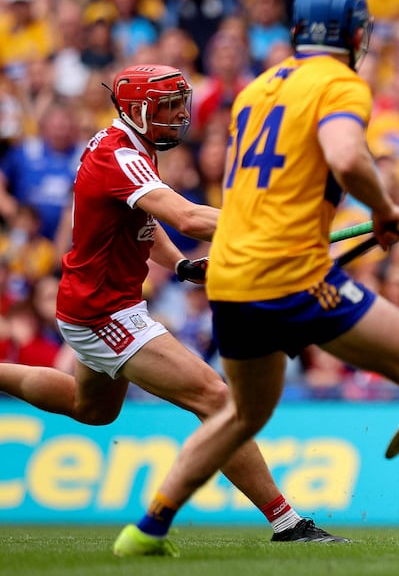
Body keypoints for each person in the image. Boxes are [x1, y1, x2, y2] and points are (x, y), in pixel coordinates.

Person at [113, 0, 399, 561]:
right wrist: (382, 211)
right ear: (356, 34)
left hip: (234, 271)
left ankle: (147, 529)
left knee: (243, 413)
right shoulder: (340, 84)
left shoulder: (257, 88)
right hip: (291, 273)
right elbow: (348, 156)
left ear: (299, 32)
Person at [0, 64, 344, 548]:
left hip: (95, 304)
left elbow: (145, 215)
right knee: (218, 399)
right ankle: (288, 523)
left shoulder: (130, 146)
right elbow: (183, 214)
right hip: (104, 313)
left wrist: (179, 266)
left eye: (181, 104)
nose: (181, 115)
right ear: (138, 110)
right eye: (168, 107)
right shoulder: (119, 155)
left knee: (91, 409)